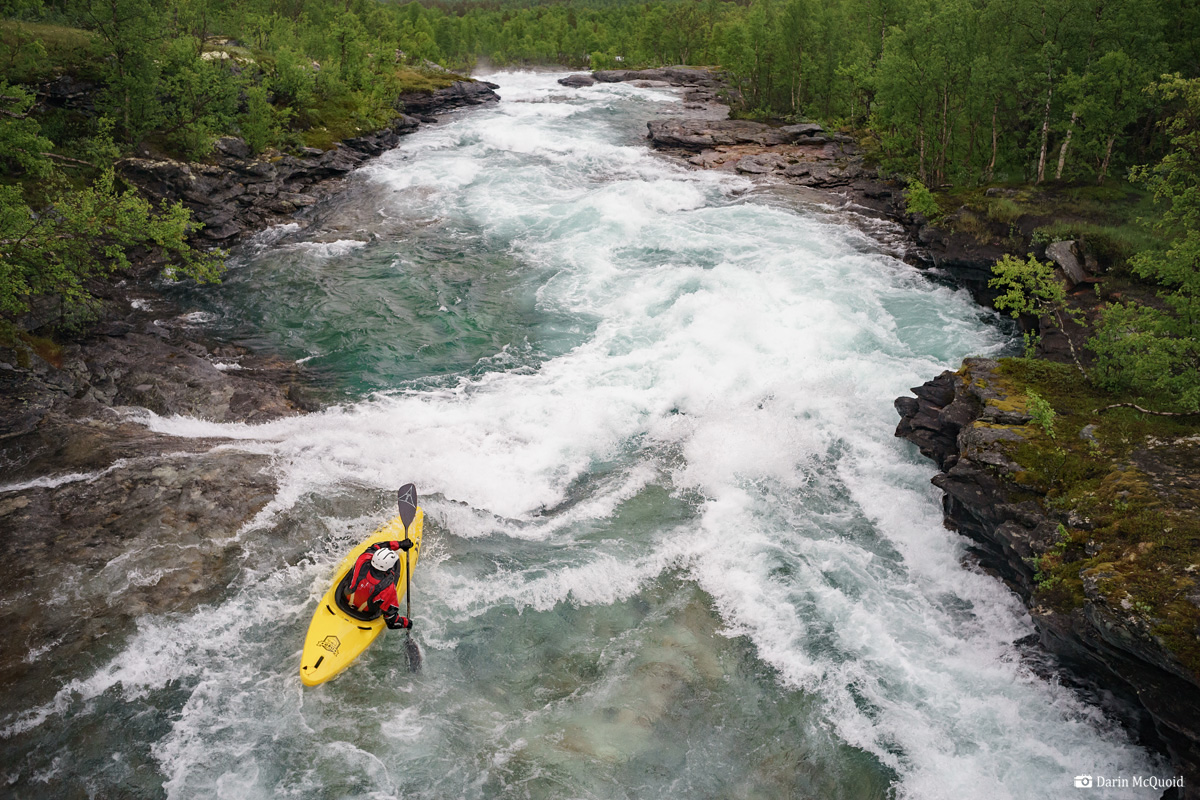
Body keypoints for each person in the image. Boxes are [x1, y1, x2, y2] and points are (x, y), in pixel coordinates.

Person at [341, 541, 413, 630]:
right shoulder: (388, 589)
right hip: (365, 614)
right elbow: (392, 622)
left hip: (344, 599)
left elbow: (376, 546)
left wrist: (399, 544)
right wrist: (406, 623)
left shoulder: (363, 559)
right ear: (389, 569)